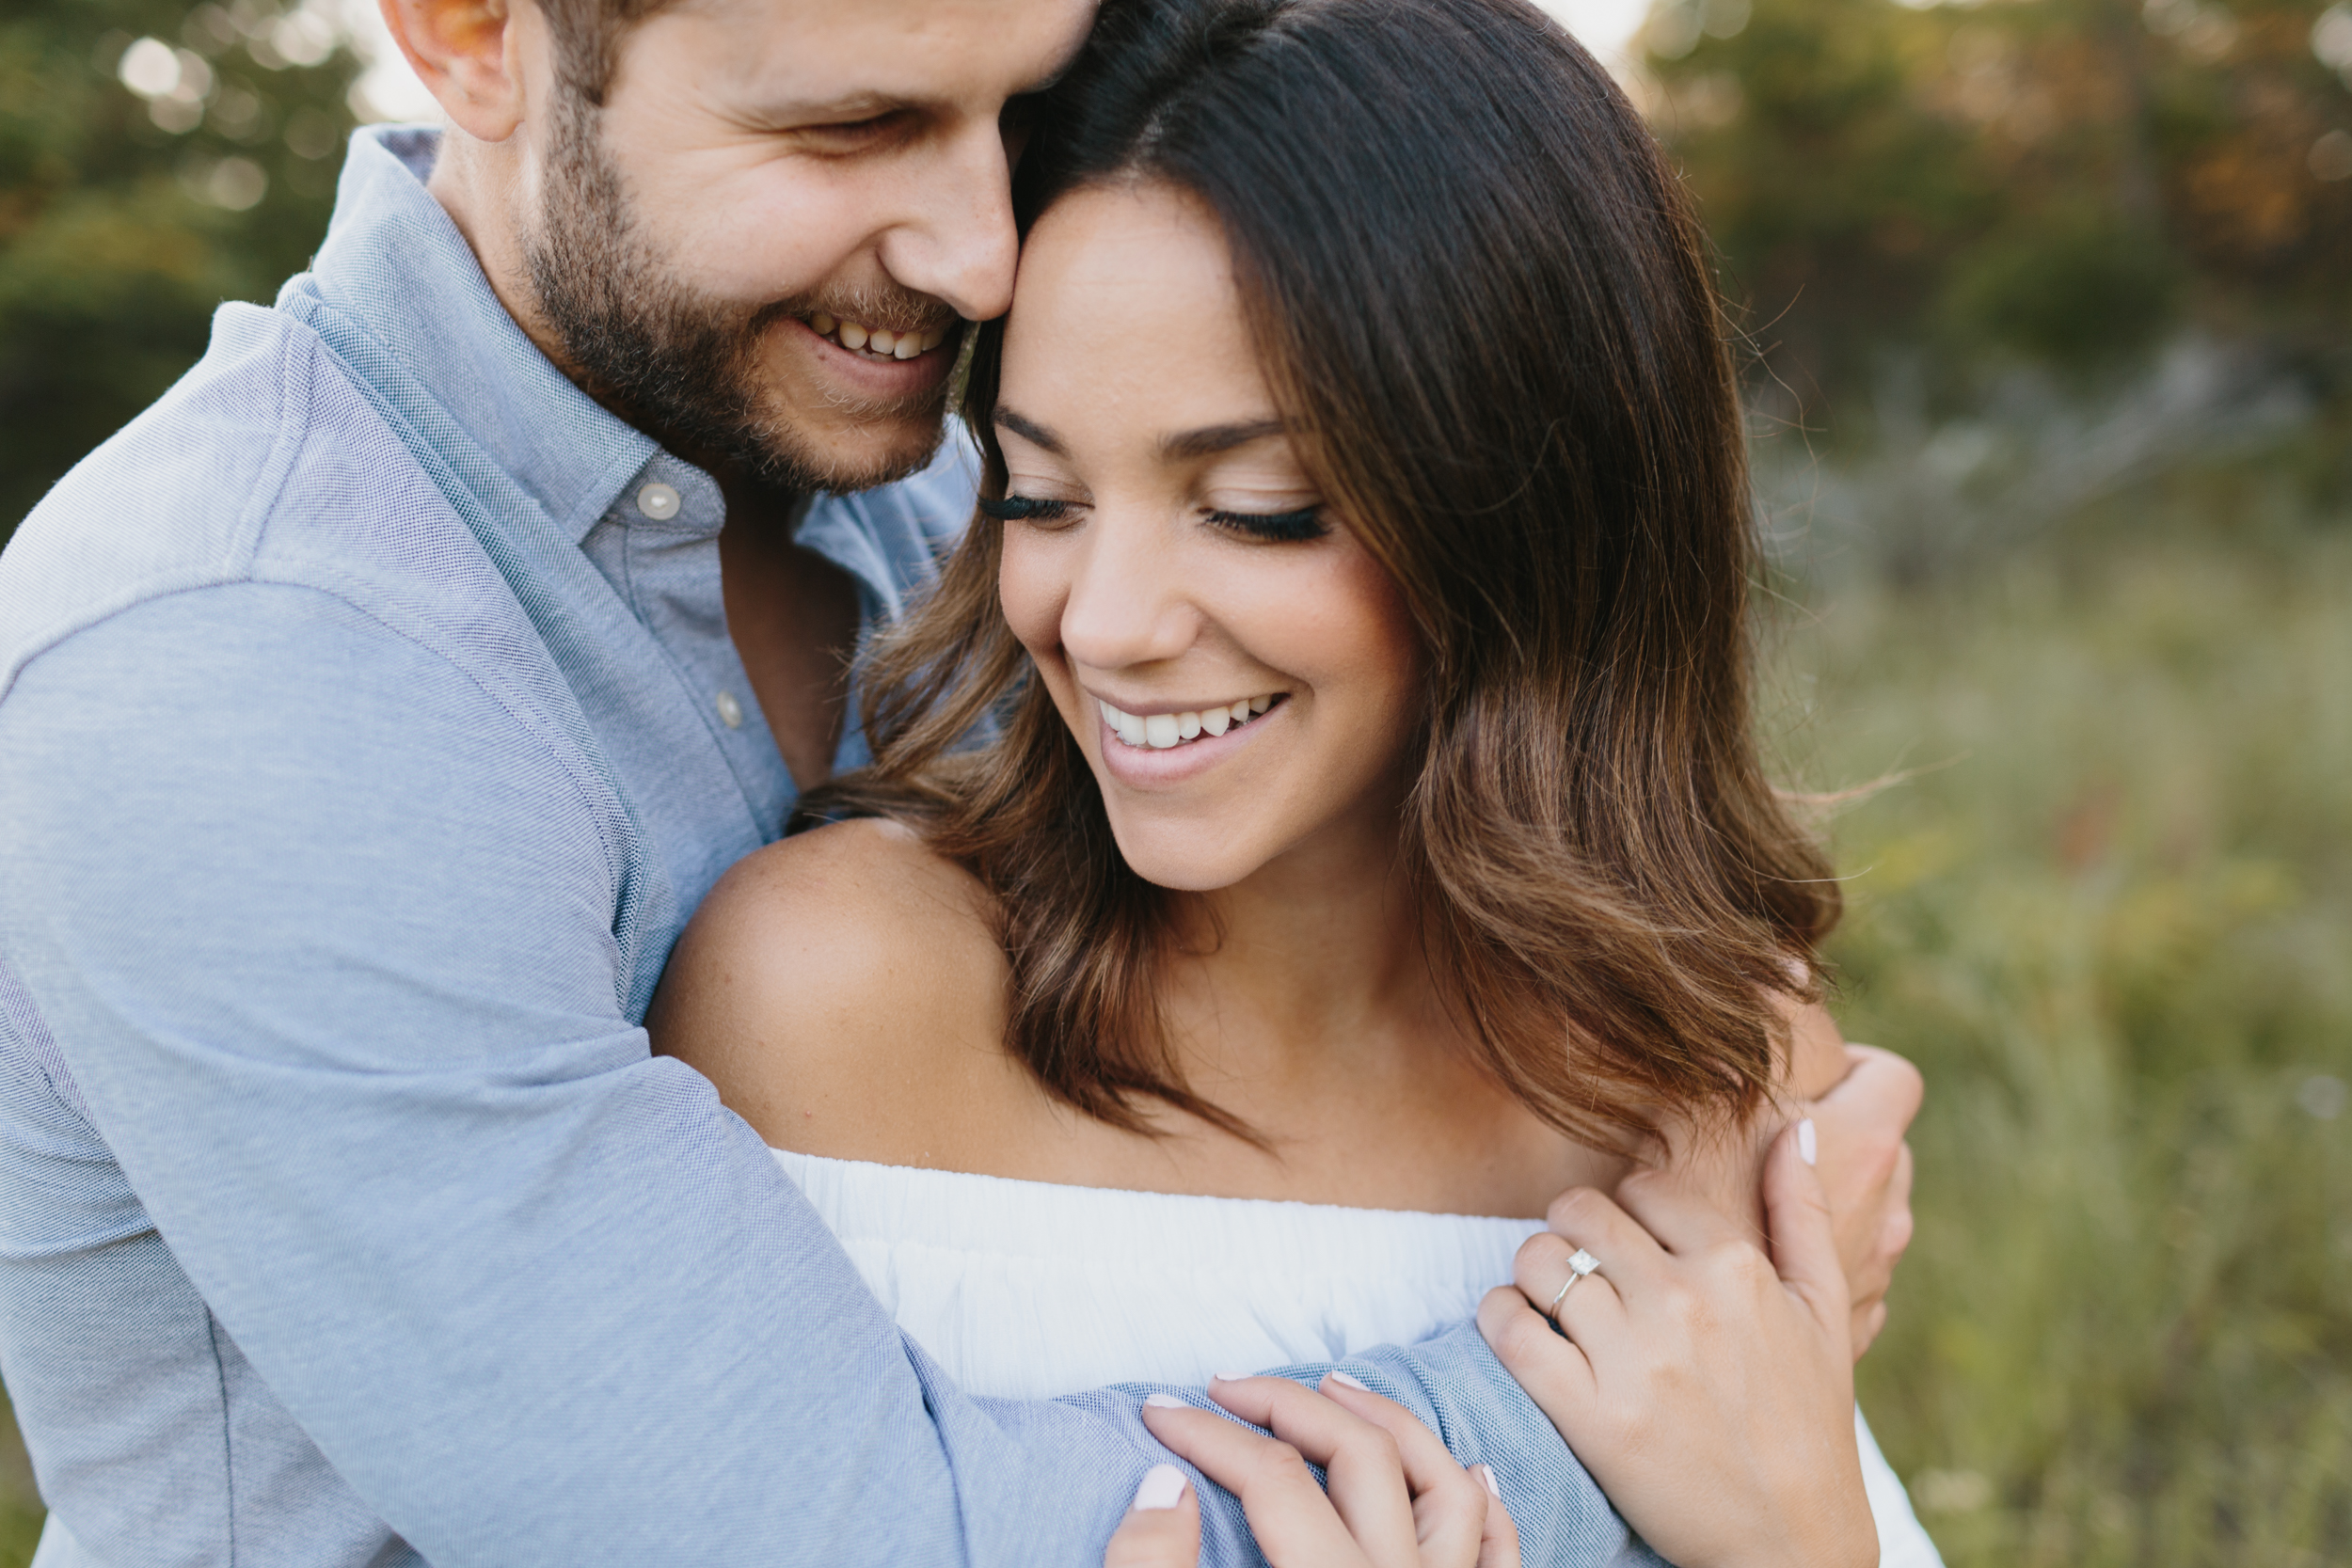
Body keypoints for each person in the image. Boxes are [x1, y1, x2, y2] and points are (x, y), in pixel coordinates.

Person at [0, 0, 1917, 1561]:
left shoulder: (915, 451)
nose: (981, 250)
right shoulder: (236, 658)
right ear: (469, 34)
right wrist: (1691, 1356)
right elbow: (813, 1539)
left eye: (1014, 109)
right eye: (851, 126)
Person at [653, 1, 1940, 1565]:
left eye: (1257, 511)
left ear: (1528, 512)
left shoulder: (1718, 1074)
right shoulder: (832, 1000)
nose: (1105, 623)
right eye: (1043, 495)